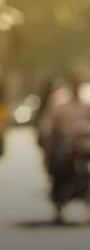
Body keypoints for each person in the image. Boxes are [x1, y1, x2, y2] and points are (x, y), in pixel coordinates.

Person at [37, 71, 90, 222]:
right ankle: (59, 198)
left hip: (84, 142)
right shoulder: (59, 100)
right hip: (64, 142)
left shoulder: (87, 99)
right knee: (60, 164)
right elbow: (47, 124)